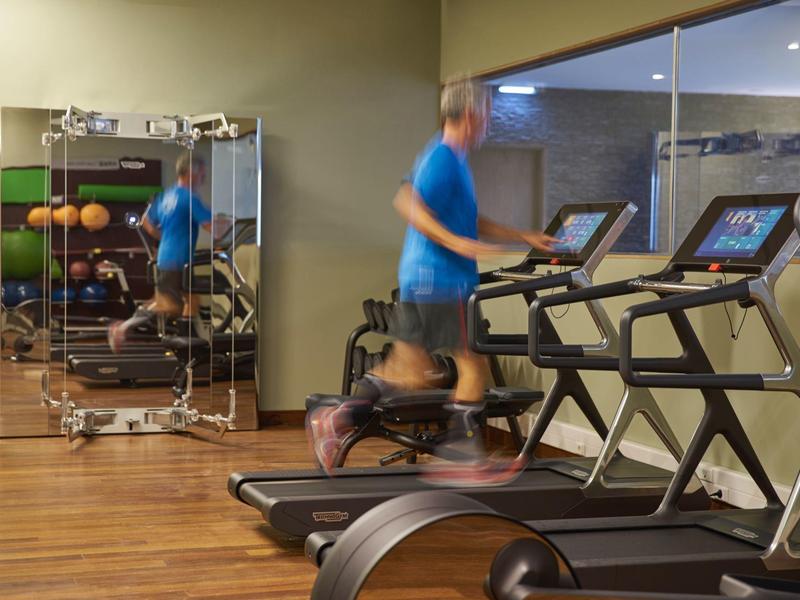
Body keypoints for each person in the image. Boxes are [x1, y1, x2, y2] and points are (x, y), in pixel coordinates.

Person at [309, 77, 558, 483]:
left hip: (419, 276)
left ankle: (335, 419)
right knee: (472, 363)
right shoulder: (443, 157)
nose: (489, 123)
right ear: (471, 114)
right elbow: (406, 201)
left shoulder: (450, 159)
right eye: (488, 115)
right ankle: (463, 456)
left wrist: (521, 235)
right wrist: (454, 242)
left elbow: (465, 219)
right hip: (443, 280)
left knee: (406, 370)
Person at [108, 153, 213, 353]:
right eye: (202, 174)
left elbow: (146, 221)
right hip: (177, 260)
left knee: (192, 301)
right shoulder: (189, 198)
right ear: (192, 172)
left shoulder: (168, 195)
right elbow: (212, 226)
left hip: (171, 256)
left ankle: (197, 346)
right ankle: (121, 328)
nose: (203, 179)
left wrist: (165, 238)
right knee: (170, 306)